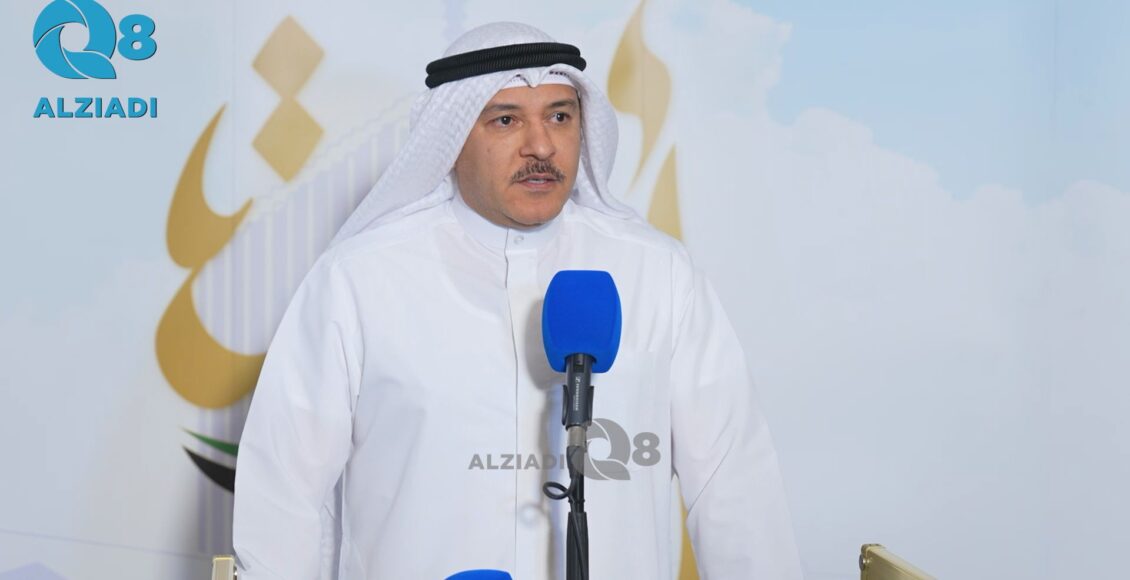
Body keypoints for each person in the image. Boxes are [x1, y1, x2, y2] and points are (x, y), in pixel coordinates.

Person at [233, 21, 802, 580]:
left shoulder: (658, 274)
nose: (541, 146)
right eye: (505, 120)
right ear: (452, 138)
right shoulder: (359, 279)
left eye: (560, 116)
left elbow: (733, 486)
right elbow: (286, 494)